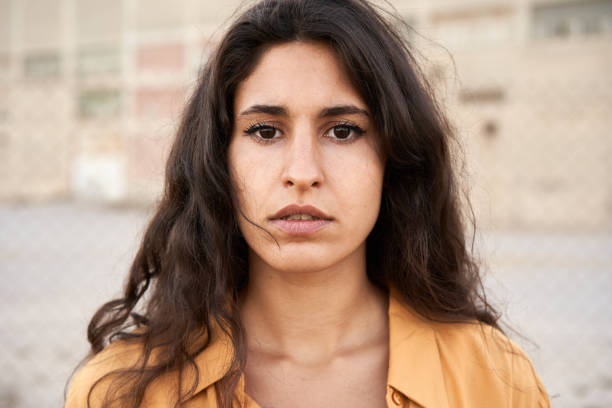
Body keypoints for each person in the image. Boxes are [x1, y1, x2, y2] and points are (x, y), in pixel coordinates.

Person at [65, 0, 550, 407]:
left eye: (343, 131)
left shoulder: (495, 381)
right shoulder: (121, 391)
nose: (302, 172)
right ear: (218, 160)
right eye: (265, 131)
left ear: (395, 158)